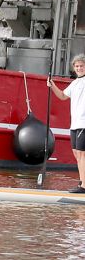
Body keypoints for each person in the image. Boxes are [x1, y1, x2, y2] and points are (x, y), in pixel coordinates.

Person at [47, 53, 85, 193]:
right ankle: (83, 183)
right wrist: (52, 85)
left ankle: (83, 186)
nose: (79, 68)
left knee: (81, 154)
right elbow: (63, 96)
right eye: (77, 66)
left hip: (83, 123)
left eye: (82, 66)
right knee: (76, 153)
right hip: (74, 124)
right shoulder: (75, 83)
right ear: (74, 68)